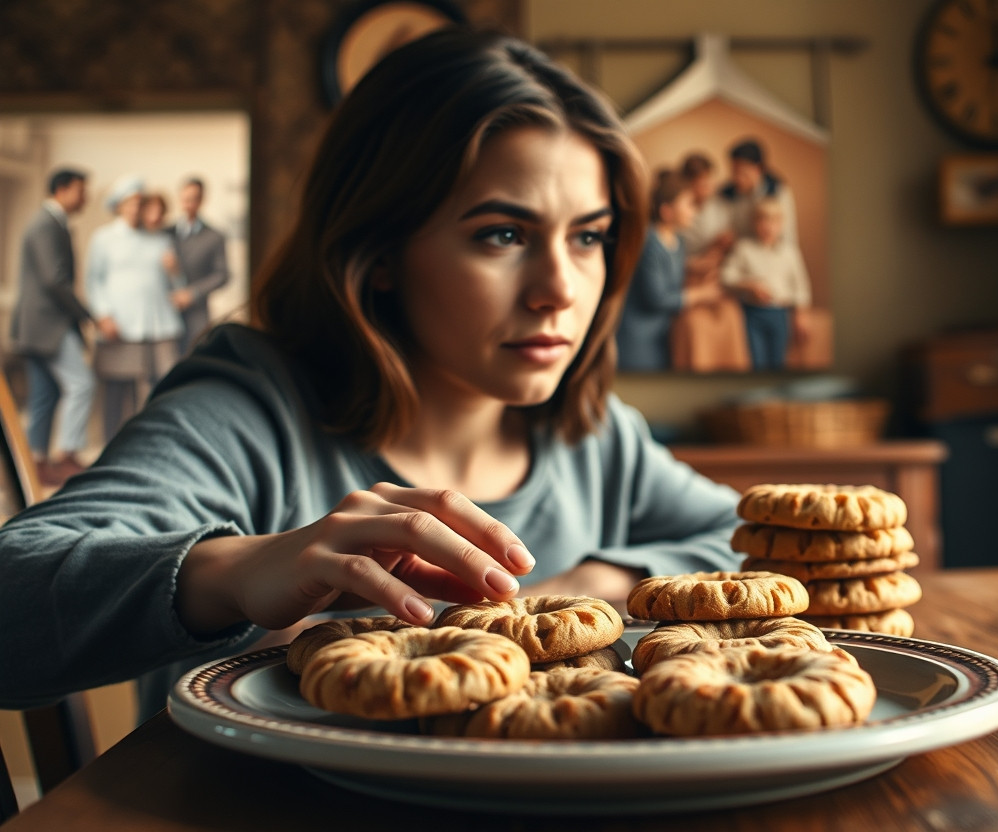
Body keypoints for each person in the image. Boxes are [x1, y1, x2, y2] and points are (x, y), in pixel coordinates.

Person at [0, 30, 741, 716]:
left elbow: (738, 536)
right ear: (379, 250)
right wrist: (238, 571)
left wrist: (597, 581)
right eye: (503, 234)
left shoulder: (593, 435)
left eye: (588, 237)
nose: (562, 289)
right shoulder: (247, 411)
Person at [10, 167, 96, 486]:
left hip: (37, 325)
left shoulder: (50, 223)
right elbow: (54, 279)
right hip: (49, 324)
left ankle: (36, 461)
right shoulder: (47, 225)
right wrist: (86, 314)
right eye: (81, 190)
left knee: (43, 395)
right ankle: (67, 454)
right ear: (62, 189)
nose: (84, 197)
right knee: (81, 383)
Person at [86, 178, 184, 441]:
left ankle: (148, 444)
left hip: (156, 326)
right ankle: (110, 445)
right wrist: (103, 314)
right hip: (120, 325)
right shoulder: (104, 238)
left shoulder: (159, 240)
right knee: (116, 392)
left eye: (139, 203)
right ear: (118, 206)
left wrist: (175, 271)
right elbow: (93, 280)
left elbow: (177, 286)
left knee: (155, 389)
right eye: (130, 203)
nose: (134, 208)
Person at [615, 169, 721, 371]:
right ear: (667, 211)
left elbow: (672, 269)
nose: (694, 211)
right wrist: (701, 294)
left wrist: (702, 266)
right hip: (638, 339)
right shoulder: (649, 242)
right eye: (689, 204)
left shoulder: (679, 241)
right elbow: (657, 298)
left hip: (663, 334)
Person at [720, 197, 811, 370]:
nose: (768, 226)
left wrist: (801, 314)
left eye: (774, 221)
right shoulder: (744, 248)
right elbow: (726, 276)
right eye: (763, 220)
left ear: (781, 224)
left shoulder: (789, 252)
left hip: (779, 313)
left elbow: (801, 286)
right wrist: (749, 285)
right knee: (756, 361)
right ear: (755, 223)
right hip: (752, 313)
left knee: (778, 361)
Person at [169, 177, 230, 354]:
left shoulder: (214, 236)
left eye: (194, 199)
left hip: (197, 310)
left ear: (202, 200)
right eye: (185, 198)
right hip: (167, 308)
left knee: (194, 353)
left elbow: (222, 274)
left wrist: (192, 293)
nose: (189, 204)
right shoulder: (167, 233)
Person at [718, 138, 799, 246]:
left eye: (742, 173)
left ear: (758, 169)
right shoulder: (729, 192)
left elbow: (788, 237)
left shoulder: (779, 192)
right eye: (734, 172)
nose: (737, 178)